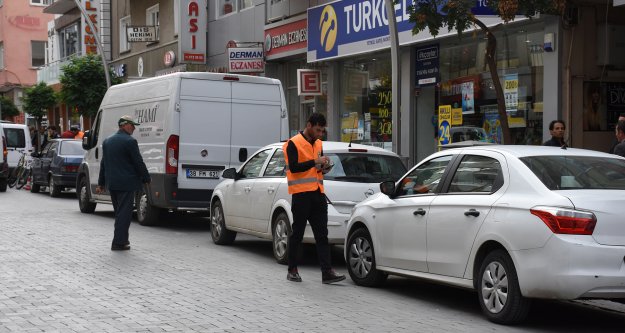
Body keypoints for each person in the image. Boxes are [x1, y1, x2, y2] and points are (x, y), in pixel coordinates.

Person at [283, 113, 345, 284]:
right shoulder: (293, 143)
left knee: (322, 235)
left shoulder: (318, 143)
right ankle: (292, 270)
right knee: (298, 234)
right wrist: (314, 161)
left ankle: (327, 272)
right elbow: (294, 168)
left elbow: (316, 167)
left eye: (322, 131)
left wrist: (324, 167)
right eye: (318, 130)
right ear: (309, 125)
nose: (320, 134)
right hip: (301, 195)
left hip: (318, 193)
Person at [96, 115, 151, 251]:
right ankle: (119, 242)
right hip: (126, 184)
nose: (133, 128)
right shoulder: (130, 142)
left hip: (113, 184)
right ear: (124, 125)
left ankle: (123, 240)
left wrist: (101, 183)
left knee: (120, 213)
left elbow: (104, 164)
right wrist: (146, 178)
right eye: (132, 125)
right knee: (124, 215)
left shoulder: (107, 141)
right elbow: (138, 162)